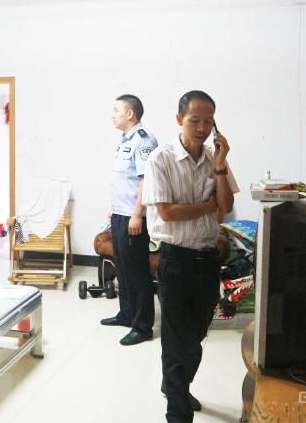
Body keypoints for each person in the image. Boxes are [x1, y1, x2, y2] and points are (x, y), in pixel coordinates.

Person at [142, 90, 239, 422]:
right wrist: (208, 206)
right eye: (194, 120)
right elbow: (168, 212)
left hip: (208, 260)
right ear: (179, 119)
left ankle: (176, 386)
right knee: (176, 339)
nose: (201, 128)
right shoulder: (160, 159)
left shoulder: (215, 158)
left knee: (196, 335)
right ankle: (178, 411)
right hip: (175, 260)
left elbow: (225, 207)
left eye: (208, 122)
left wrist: (220, 168)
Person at [101, 94, 158, 346]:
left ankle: (143, 326)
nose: (112, 114)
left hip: (134, 217)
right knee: (122, 268)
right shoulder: (125, 140)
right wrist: (116, 209)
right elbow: (126, 180)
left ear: (130, 114)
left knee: (137, 272)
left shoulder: (144, 141)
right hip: (120, 214)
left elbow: (146, 180)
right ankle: (126, 314)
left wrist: (137, 213)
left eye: (116, 110)